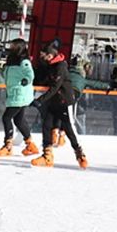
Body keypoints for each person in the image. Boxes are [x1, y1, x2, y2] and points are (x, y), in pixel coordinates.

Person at [31, 39, 88, 169]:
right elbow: (45, 81)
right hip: (54, 101)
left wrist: (40, 100)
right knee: (46, 125)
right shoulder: (49, 66)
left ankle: (80, 154)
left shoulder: (60, 66)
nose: (41, 58)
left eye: (43, 55)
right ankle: (47, 156)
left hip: (64, 102)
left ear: (50, 55)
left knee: (68, 128)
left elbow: (55, 87)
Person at [0, 37, 38, 157]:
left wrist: (26, 80)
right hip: (14, 94)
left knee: (6, 118)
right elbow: (4, 78)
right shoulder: (10, 62)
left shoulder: (23, 61)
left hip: (19, 95)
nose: (10, 48)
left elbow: (30, 74)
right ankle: (30, 144)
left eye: (13, 46)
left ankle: (8, 146)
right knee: (19, 120)